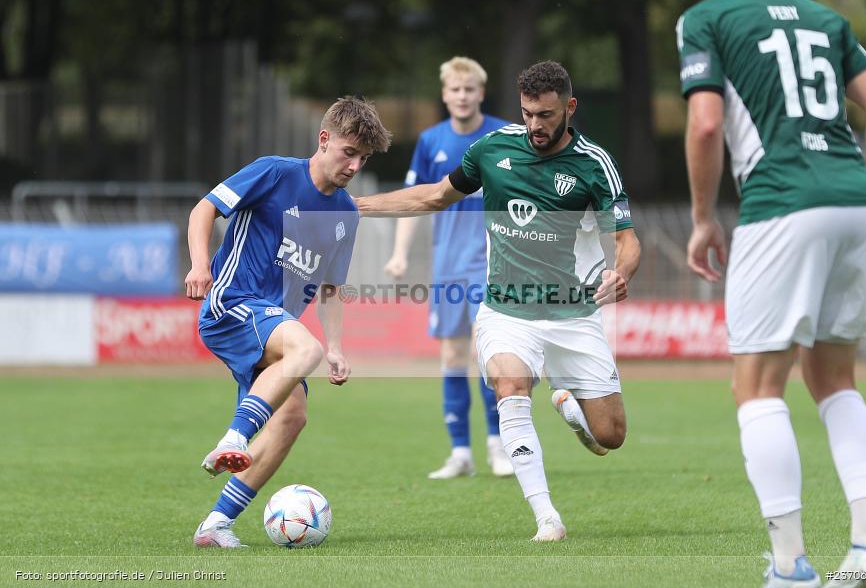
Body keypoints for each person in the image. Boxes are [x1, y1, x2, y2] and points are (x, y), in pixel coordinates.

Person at [358, 61, 641, 541]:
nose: (535, 125)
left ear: (569, 108)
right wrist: (359, 204)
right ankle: (547, 518)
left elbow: (629, 240)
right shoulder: (492, 149)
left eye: (547, 115)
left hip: (574, 315)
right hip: (507, 310)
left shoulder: (595, 164)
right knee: (511, 387)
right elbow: (433, 197)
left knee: (610, 435)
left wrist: (621, 272)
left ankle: (572, 407)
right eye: (528, 113)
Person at [678, 0, 866, 588]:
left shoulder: (707, 18)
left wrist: (703, 218)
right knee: (835, 380)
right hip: (853, 197)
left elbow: (704, 122)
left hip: (781, 201)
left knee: (755, 387)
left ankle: (791, 566)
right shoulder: (825, 17)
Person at [184, 96, 392, 548]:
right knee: (305, 349)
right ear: (324, 140)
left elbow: (332, 288)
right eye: (348, 152)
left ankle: (216, 523)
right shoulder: (274, 172)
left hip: (273, 324)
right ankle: (234, 436)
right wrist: (200, 265)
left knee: (294, 416)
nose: (355, 165)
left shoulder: (346, 214)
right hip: (232, 303)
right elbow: (204, 209)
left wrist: (336, 346)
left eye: (363, 158)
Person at [383, 57, 513, 480]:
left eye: (469, 89)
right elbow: (413, 201)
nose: (462, 96)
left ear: (481, 93)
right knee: (453, 356)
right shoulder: (430, 141)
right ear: (445, 94)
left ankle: (498, 446)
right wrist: (400, 253)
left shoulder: (500, 135)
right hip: (447, 267)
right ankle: (461, 453)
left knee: (486, 351)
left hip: (489, 265)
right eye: (455, 90)